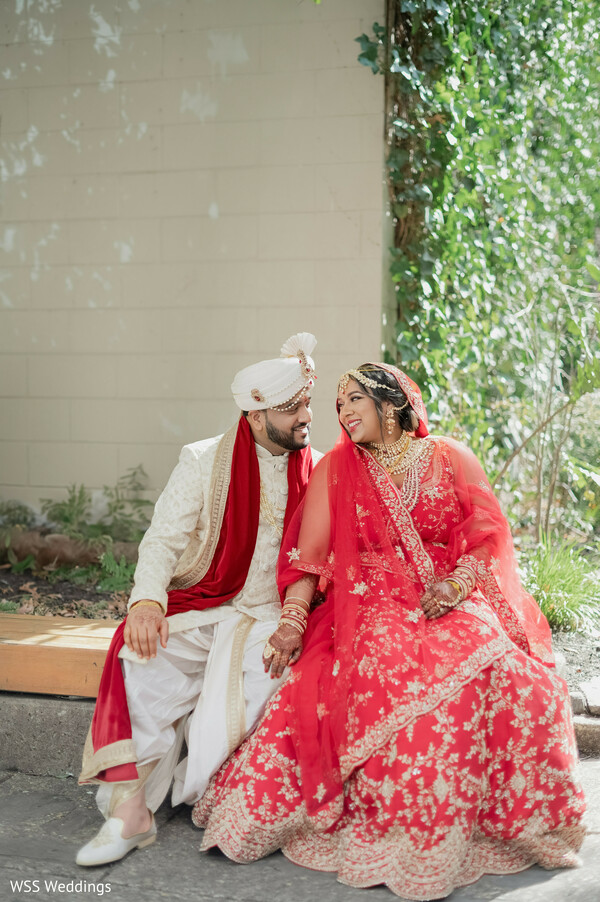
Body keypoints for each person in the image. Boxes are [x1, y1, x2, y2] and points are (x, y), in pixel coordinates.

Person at [193, 363, 586, 901]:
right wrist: (291, 623)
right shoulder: (336, 468)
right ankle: (403, 833)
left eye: (355, 399)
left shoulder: (450, 456)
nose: (344, 412)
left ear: (393, 403)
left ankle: (505, 822)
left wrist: (455, 586)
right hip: (368, 606)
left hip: (448, 594)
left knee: (514, 673)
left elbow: (488, 534)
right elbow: (308, 562)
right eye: (339, 404)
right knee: (397, 680)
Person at [76, 333, 322, 867]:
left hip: (269, 617)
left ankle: (199, 786)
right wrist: (146, 603)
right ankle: (130, 814)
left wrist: (294, 618)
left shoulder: (319, 470)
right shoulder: (204, 460)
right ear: (256, 417)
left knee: (260, 691)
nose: (307, 415)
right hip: (206, 604)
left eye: (307, 402)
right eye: (293, 408)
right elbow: (163, 539)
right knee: (140, 656)